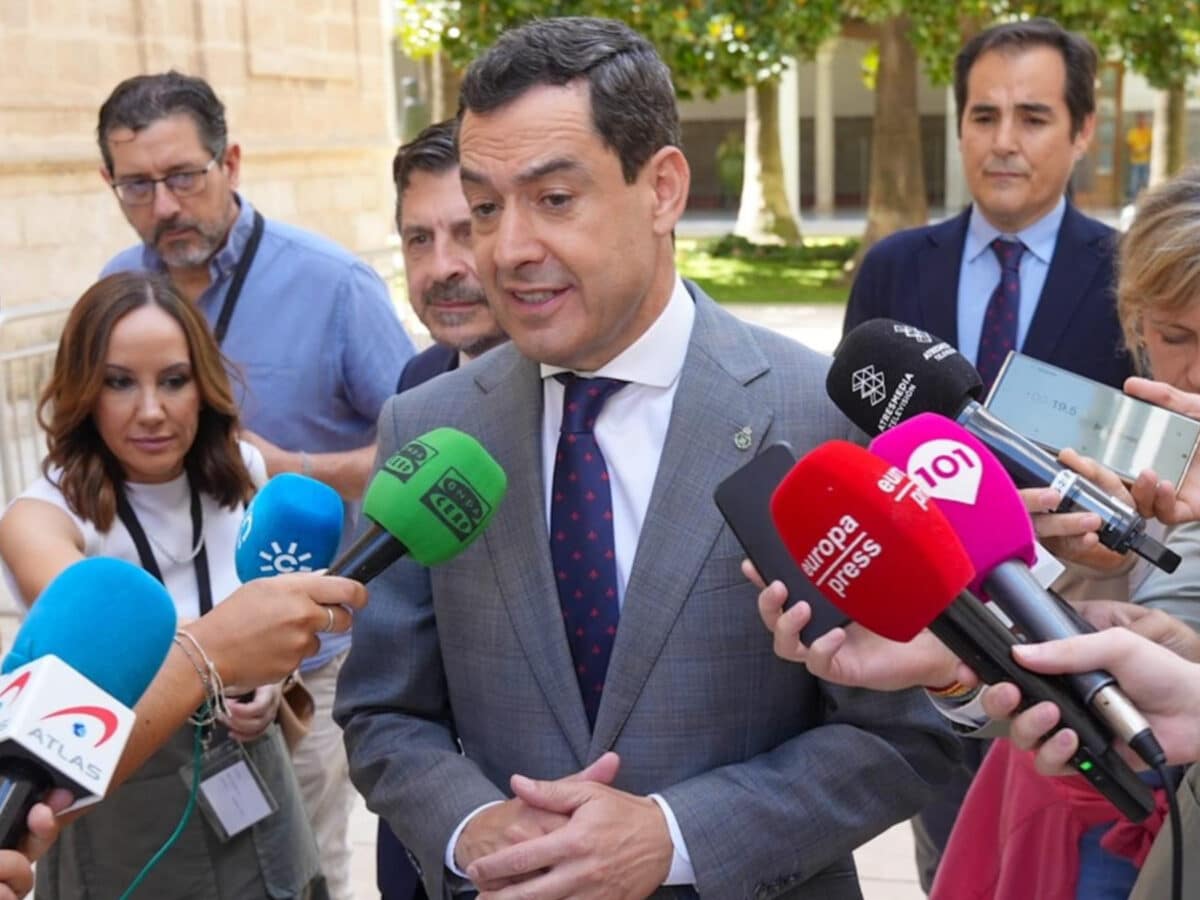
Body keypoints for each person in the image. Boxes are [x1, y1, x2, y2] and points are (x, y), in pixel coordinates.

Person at [336, 17, 959, 900]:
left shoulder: (821, 417)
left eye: (554, 199)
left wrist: (672, 839)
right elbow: (381, 711)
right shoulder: (427, 430)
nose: (506, 249)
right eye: (484, 206)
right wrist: (475, 827)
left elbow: (906, 734)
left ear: (662, 188)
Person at [95, 72, 415, 898]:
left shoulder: (334, 286)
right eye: (138, 184)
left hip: (303, 661)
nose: (164, 206)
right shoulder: (111, 292)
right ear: (110, 184)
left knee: (303, 874)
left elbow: (414, 451)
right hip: (155, 684)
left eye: (184, 177)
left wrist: (291, 466)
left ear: (230, 161)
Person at [842, 18, 1135, 886]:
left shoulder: (1124, 274)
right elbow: (859, 438)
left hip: (1074, 632)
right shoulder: (895, 268)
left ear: (1083, 130)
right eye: (983, 115)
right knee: (952, 865)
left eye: (1034, 117)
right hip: (934, 637)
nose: (1003, 142)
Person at [0, 271, 323, 898]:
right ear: (84, 392)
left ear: (203, 387)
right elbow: (110, 630)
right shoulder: (39, 516)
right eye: (119, 382)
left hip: (252, 774)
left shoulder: (244, 473)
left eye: (173, 380)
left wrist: (268, 679)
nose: (151, 410)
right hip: (123, 801)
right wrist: (228, 654)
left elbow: (261, 611)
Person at [377, 119, 506, 900]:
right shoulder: (415, 389)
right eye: (418, 240)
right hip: (439, 837)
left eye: (467, 230)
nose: (443, 268)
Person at [1126, 113, 1152, 201]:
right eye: (1140, 120)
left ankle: (1144, 201)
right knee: (1134, 183)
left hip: (1146, 161)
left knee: (1145, 183)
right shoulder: (1132, 132)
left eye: (1143, 120)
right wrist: (1137, 150)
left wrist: (1144, 149)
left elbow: (1151, 145)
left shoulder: (1148, 132)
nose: (1142, 122)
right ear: (1137, 121)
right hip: (1135, 162)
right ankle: (1133, 201)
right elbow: (1130, 145)